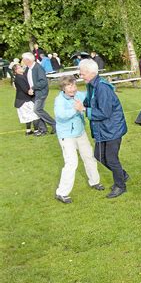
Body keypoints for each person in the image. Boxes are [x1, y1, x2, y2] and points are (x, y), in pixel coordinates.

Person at [80, 59, 128, 199]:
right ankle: (122, 175)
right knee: (99, 156)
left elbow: (104, 112)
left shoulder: (102, 88)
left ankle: (120, 186)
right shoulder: (91, 85)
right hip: (103, 129)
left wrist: (84, 110)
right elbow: (89, 102)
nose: (81, 76)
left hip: (112, 128)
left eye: (82, 73)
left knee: (111, 159)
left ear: (90, 72)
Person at [54, 76, 104, 204]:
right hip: (67, 135)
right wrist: (75, 109)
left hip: (80, 132)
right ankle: (62, 192)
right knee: (71, 163)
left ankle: (95, 182)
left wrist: (98, 86)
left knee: (89, 157)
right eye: (69, 86)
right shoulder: (59, 100)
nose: (73, 88)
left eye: (74, 85)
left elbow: (89, 97)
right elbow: (61, 116)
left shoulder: (79, 95)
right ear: (63, 88)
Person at [22, 52, 56, 136]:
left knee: (37, 109)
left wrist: (33, 88)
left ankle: (54, 124)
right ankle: (43, 129)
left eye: (23, 59)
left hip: (41, 92)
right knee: (36, 111)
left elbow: (43, 82)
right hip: (33, 93)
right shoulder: (28, 68)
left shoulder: (38, 67)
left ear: (28, 60)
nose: (22, 61)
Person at [12, 63, 40, 135]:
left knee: (28, 116)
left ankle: (28, 131)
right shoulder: (19, 78)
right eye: (19, 68)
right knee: (34, 115)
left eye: (20, 67)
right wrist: (34, 93)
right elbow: (25, 89)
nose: (21, 68)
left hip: (23, 99)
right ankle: (36, 131)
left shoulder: (22, 76)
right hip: (24, 100)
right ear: (16, 71)